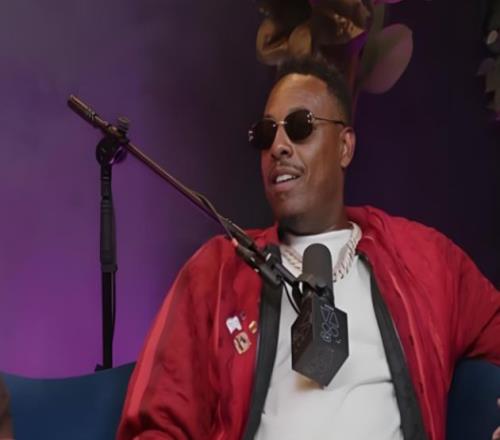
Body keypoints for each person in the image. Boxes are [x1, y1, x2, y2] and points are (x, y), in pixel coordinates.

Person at [117, 57, 500, 440]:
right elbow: (156, 422)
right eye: (266, 134)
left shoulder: (424, 259)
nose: (278, 147)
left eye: (300, 127)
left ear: (345, 147)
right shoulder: (216, 272)